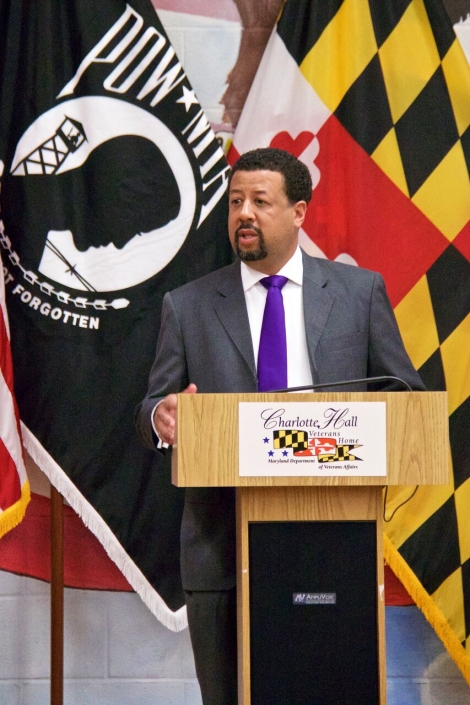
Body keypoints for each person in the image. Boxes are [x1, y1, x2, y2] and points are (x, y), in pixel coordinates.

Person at [135, 147, 424, 705]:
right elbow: (153, 406)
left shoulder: (358, 293)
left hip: (333, 536)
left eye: (260, 202)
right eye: (235, 202)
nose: (244, 213)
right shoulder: (188, 305)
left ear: (298, 212)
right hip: (220, 545)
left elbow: (403, 393)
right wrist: (161, 416)